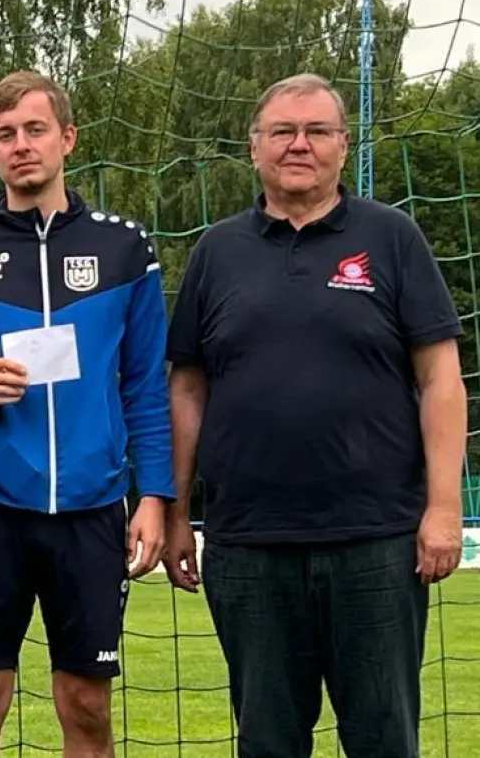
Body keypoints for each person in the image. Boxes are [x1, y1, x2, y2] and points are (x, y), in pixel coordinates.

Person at [162, 72, 465, 757]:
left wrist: (441, 508)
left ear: (340, 144)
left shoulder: (392, 238)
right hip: (247, 545)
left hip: (375, 545)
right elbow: (185, 389)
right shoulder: (216, 251)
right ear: (253, 147)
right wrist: (177, 512)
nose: (298, 145)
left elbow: (439, 378)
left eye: (316, 131)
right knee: (267, 743)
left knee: (383, 741)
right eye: (281, 131)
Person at [0, 69, 174, 758]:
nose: (20, 146)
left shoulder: (124, 248)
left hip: (92, 508)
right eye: (4, 135)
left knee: (87, 707)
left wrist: (152, 494)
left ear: (67, 137)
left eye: (34, 130)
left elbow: (144, 386)